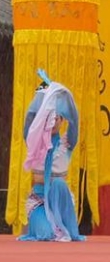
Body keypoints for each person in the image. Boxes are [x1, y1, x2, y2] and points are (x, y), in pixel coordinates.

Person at [19, 71, 85, 242]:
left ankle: (63, 222)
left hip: (61, 202)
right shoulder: (34, 141)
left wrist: (62, 95)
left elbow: (75, 121)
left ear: (62, 120)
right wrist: (44, 95)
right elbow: (30, 117)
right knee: (46, 234)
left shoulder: (67, 144)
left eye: (57, 118)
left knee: (58, 183)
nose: (53, 121)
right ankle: (45, 222)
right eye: (48, 117)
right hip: (39, 201)